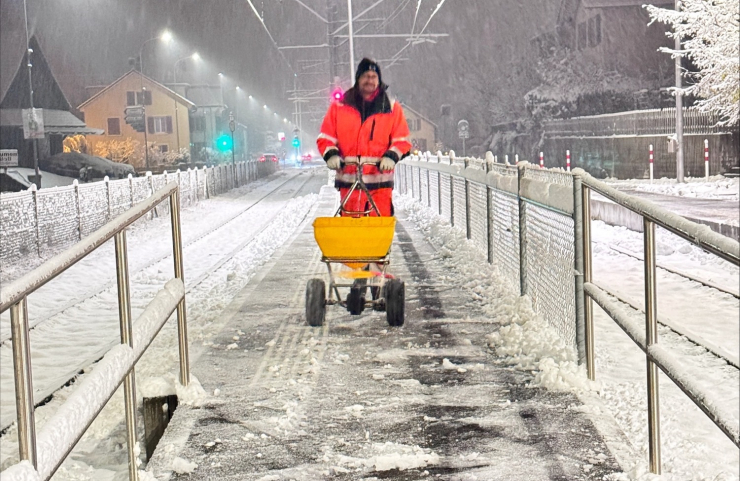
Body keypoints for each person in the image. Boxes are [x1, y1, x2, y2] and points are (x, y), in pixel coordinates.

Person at [317, 58, 412, 217]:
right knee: (352, 234)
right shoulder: (339, 107)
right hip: (349, 186)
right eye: (366, 76)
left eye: (373, 77)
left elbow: (402, 140)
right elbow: (326, 137)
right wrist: (331, 154)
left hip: (379, 185)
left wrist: (391, 156)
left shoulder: (391, 108)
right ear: (358, 79)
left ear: (379, 80)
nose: (370, 80)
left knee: (378, 233)